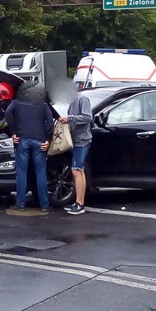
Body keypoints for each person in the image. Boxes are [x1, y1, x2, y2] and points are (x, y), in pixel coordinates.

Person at [5, 84, 54, 213]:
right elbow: (50, 122)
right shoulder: (43, 105)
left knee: (21, 173)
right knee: (40, 173)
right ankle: (44, 205)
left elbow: (8, 112)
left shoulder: (16, 103)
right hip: (39, 141)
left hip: (22, 140)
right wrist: (48, 139)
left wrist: (13, 131)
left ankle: (20, 204)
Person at [60, 85, 93, 215]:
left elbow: (87, 117)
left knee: (76, 171)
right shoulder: (72, 101)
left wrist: (70, 119)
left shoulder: (82, 99)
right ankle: (79, 202)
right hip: (77, 140)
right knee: (80, 171)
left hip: (82, 140)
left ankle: (80, 204)